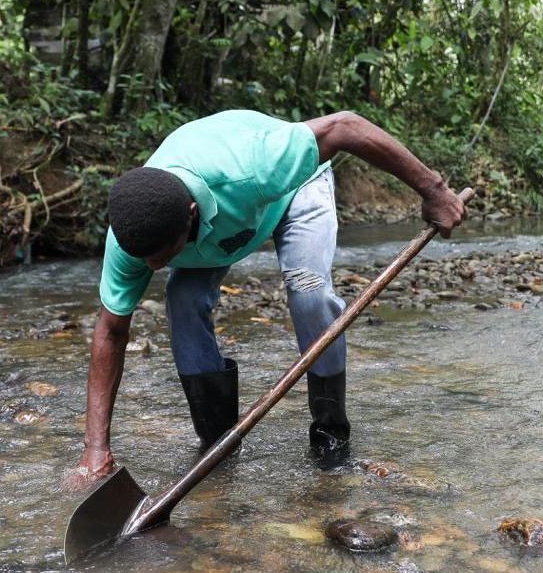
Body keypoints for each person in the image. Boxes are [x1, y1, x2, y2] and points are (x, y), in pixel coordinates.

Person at [70, 110, 466, 485]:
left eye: (162, 255)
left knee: (308, 293)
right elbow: (110, 332)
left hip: (294, 191)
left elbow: (345, 126)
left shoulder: (256, 165)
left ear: (191, 214)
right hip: (221, 230)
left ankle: (330, 434)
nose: (152, 267)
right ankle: (218, 445)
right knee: (182, 301)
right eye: (145, 259)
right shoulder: (131, 237)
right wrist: (95, 450)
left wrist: (434, 190)